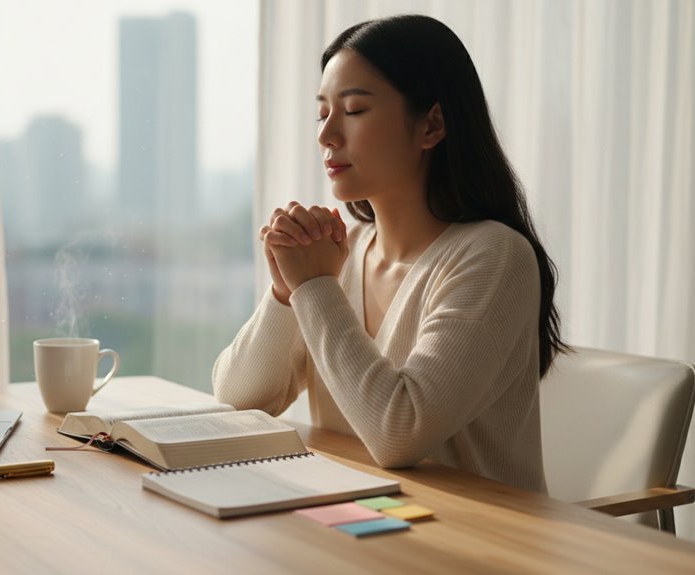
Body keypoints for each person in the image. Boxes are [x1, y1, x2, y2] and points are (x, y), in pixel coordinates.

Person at [212, 14, 567, 493]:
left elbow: (399, 433)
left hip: (473, 544)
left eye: (354, 110)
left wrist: (314, 287)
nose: (326, 135)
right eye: (322, 114)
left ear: (432, 125)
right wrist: (284, 292)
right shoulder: (343, 250)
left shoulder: (494, 256)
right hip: (356, 519)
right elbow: (235, 401)